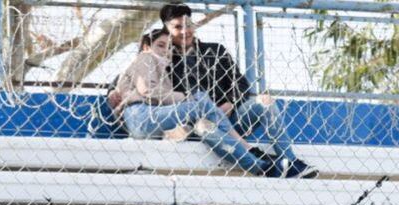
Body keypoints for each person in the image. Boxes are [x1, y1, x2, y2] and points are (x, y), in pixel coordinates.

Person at [161, 3, 315, 179]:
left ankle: (290, 162)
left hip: (232, 117)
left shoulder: (215, 51)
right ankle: (266, 167)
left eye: (188, 25)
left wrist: (230, 103)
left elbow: (240, 83)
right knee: (205, 126)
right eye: (177, 27)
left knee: (265, 103)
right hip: (198, 124)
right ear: (166, 29)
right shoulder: (164, 60)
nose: (184, 31)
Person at [108, 27, 279, 177]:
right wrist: (187, 96)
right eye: (160, 45)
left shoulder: (163, 72)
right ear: (146, 46)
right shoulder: (145, 58)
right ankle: (246, 146)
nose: (165, 51)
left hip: (152, 119)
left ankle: (259, 166)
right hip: (141, 116)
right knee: (201, 100)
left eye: (169, 48)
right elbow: (148, 90)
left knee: (201, 111)